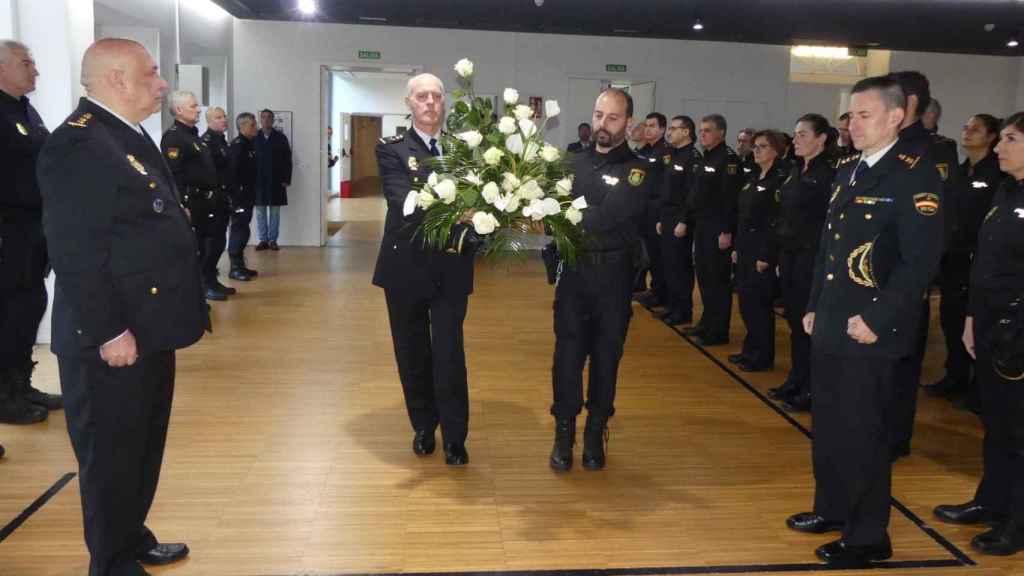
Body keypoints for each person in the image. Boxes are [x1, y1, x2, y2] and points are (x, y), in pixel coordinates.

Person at [37, 37, 208, 576]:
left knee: (141, 446)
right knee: (111, 458)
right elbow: (76, 250)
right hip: (112, 339)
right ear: (117, 79)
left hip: (149, 326)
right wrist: (110, 331)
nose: (162, 85)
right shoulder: (79, 144)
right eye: (153, 74)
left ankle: (131, 537)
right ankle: (111, 564)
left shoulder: (126, 136)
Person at [787, 75, 943, 568]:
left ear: (896, 117)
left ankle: (869, 536)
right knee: (830, 426)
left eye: (864, 115)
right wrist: (813, 304)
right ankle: (832, 508)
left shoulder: (915, 175)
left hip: (871, 328)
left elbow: (919, 262)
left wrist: (876, 318)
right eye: (850, 115)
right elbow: (829, 250)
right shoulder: (850, 169)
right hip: (833, 319)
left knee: (864, 433)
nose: (852, 124)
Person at [932, 113, 1024, 556]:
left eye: (1010, 139)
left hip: (1018, 329)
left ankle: (1017, 522)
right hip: (988, 321)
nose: (1000, 147)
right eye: (1001, 138)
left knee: (1019, 427)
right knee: (997, 422)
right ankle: (992, 500)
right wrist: (971, 318)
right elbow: (985, 262)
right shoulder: (1006, 190)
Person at [374, 73, 475, 466]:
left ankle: (455, 435)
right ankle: (422, 424)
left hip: (451, 265)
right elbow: (404, 202)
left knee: (450, 353)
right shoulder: (392, 149)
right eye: (422, 96)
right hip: (405, 266)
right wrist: (461, 211)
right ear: (409, 103)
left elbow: (480, 199)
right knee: (411, 350)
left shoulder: (462, 151)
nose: (430, 102)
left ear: (444, 103)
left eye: (436, 96)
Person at [550, 87, 649, 472]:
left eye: (612, 117)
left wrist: (563, 218)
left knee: (607, 356)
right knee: (567, 357)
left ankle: (595, 432)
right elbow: (554, 206)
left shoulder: (638, 170)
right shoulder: (572, 162)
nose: (602, 124)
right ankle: (563, 432)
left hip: (614, 277)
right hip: (574, 275)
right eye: (598, 115)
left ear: (628, 122)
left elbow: (610, 217)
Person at [887, 70, 961, 460]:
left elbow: (936, 225)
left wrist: (917, 278)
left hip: (903, 279)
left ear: (909, 104)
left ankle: (894, 435)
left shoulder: (932, 153)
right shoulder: (883, 147)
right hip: (869, 277)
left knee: (899, 364)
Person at [0, 39, 60, 426]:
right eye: (26, 63)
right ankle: (5, 397)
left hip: (33, 234)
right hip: (8, 234)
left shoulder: (25, 111)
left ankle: (22, 386)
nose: (35, 70)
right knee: (8, 315)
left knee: (28, 309)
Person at [924, 114, 1003, 403]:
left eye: (976, 129)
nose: (967, 133)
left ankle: (979, 388)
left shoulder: (997, 174)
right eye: (965, 127)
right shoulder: (959, 171)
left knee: (979, 323)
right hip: (954, 257)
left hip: (979, 258)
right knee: (951, 318)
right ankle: (955, 376)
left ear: (991, 136)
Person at [769, 114, 835, 412]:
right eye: (795, 134)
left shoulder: (829, 173)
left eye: (803, 135)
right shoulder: (795, 169)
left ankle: (811, 388)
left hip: (812, 256)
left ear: (821, 138)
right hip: (791, 254)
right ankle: (795, 379)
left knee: (811, 326)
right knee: (796, 323)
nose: (796, 140)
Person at [161, 91, 232, 301]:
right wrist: (182, 204)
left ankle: (211, 280)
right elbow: (174, 175)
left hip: (211, 200)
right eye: (193, 106)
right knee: (203, 247)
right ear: (179, 110)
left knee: (217, 242)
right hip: (196, 201)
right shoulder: (174, 137)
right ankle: (202, 287)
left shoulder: (192, 135)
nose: (198, 109)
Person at [730, 130, 787, 372]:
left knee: (759, 305)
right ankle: (749, 349)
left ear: (776, 150)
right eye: (755, 147)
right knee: (746, 303)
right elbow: (743, 215)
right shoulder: (754, 176)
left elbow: (777, 222)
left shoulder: (779, 179)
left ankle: (762, 356)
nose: (756, 151)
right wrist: (736, 246)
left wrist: (767, 255)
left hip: (762, 249)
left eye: (762, 147)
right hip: (745, 247)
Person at [682, 114, 741, 346]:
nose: (702, 134)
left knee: (718, 281)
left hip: (718, 229)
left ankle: (718, 331)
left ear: (721, 133)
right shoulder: (707, 158)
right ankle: (707, 323)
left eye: (707, 130)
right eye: (701, 130)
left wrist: (726, 231)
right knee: (705, 279)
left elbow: (729, 199)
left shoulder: (728, 161)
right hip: (703, 226)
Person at [655, 115, 700, 325]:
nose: (669, 132)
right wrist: (661, 218)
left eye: (674, 129)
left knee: (680, 266)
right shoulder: (673, 154)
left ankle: (684, 310)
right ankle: (673, 306)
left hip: (681, 217)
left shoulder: (692, 156)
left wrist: (684, 220)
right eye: (669, 128)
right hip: (667, 215)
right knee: (669, 265)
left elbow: (691, 194)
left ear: (686, 132)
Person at [635, 112, 669, 309]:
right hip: (644, 209)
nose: (648, 129)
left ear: (662, 129)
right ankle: (654, 290)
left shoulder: (664, 152)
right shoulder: (647, 150)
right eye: (646, 125)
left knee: (658, 255)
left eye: (652, 126)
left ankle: (661, 294)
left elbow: (665, 185)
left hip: (657, 209)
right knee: (649, 254)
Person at [201, 106, 234, 290]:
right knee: (211, 243)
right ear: (209, 121)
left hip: (223, 198)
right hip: (212, 200)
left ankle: (213, 280)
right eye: (218, 117)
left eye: (224, 116)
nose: (224, 119)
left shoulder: (221, 141)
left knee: (220, 241)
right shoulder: (207, 142)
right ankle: (206, 283)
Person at [226, 112, 260, 280]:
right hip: (239, 198)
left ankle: (240, 265)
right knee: (238, 230)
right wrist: (235, 199)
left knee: (244, 230)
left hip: (247, 195)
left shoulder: (249, 144)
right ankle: (235, 268)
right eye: (252, 125)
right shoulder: (238, 146)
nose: (256, 127)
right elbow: (231, 175)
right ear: (242, 126)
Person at [254, 109, 292, 251]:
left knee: (275, 212)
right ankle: (263, 240)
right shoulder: (254, 137)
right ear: (260, 119)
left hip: (276, 181)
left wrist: (286, 179)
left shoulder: (280, 138)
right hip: (258, 182)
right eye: (263, 117)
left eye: (269, 117)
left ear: (273, 120)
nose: (266, 120)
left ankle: (273, 240)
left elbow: (288, 160)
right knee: (260, 212)